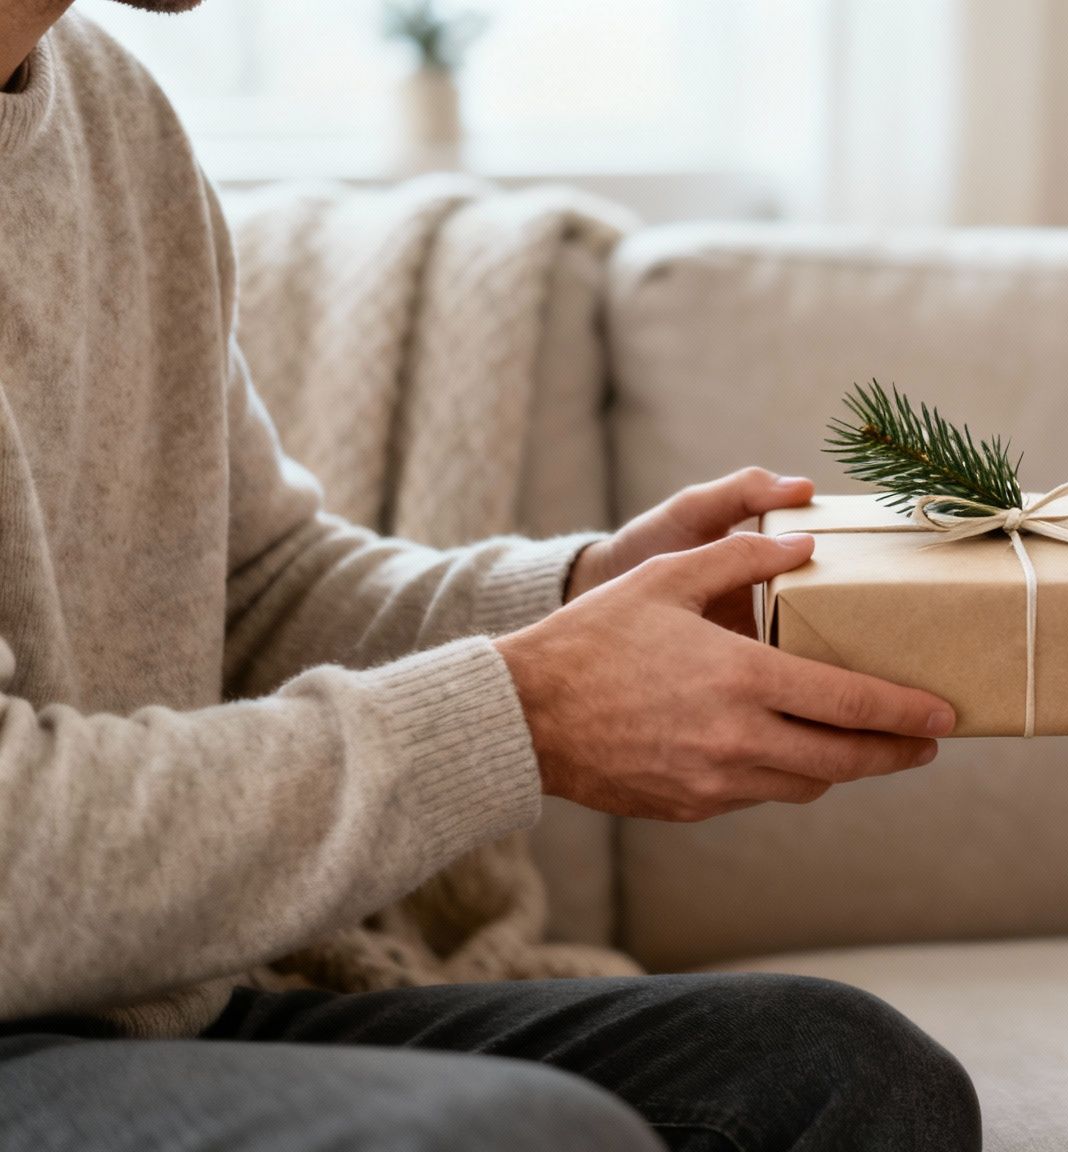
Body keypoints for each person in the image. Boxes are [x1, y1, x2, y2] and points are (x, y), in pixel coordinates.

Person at [0, 4, 978, 1150]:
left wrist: (578, 601)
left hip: (131, 1013)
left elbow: (250, 589)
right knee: (517, 1135)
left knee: (844, 1071)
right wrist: (523, 715)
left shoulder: (111, 109)